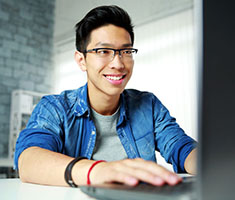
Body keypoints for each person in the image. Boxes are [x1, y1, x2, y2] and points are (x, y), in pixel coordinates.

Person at [14, 5, 197, 187]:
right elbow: (28, 161)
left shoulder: (148, 105)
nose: (118, 63)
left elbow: (182, 148)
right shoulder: (54, 108)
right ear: (81, 60)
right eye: (103, 51)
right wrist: (98, 171)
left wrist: (210, 162)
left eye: (126, 52)